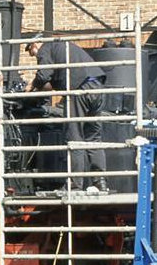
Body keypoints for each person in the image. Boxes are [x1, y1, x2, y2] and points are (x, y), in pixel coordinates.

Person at [26, 35, 109, 193]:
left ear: (36, 43)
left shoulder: (46, 48)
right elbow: (52, 81)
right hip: (97, 87)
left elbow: (44, 75)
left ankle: (74, 185)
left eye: (32, 51)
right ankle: (101, 182)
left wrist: (31, 86)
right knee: (93, 138)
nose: (34, 55)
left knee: (74, 136)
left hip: (79, 90)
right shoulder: (64, 48)